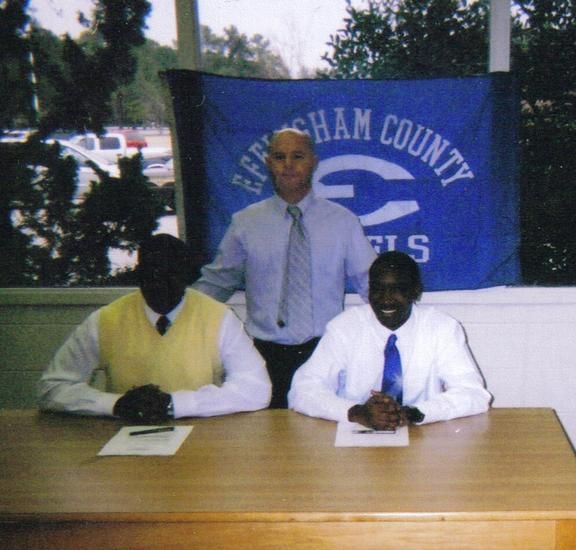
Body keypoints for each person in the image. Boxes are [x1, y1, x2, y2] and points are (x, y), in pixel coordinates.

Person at [194, 128, 376, 408]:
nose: (288, 165)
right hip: (264, 356)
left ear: (313, 162)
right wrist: (179, 313)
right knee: (268, 432)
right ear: (269, 163)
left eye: (298, 156)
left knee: (323, 430)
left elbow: (372, 283)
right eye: (279, 157)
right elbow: (217, 282)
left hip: (326, 352)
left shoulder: (343, 222)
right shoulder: (246, 223)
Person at [38, 234, 271, 421]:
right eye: (151, 274)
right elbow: (52, 388)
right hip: (125, 436)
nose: (159, 283)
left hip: (203, 437)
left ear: (187, 277)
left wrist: (174, 404)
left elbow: (256, 389)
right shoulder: (105, 320)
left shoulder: (219, 318)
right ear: (138, 275)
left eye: (171, 275)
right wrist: (115, 404)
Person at [288, 251, 491, 428]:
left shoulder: (442, 328)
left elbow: (473, 394)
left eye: (398, 289)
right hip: (353, 438)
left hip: (420, 436)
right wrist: (357, 412)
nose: (386, 298)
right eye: (377, 289)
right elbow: (302, 390)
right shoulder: (344, 328)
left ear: (415, 291)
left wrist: (414, 413)